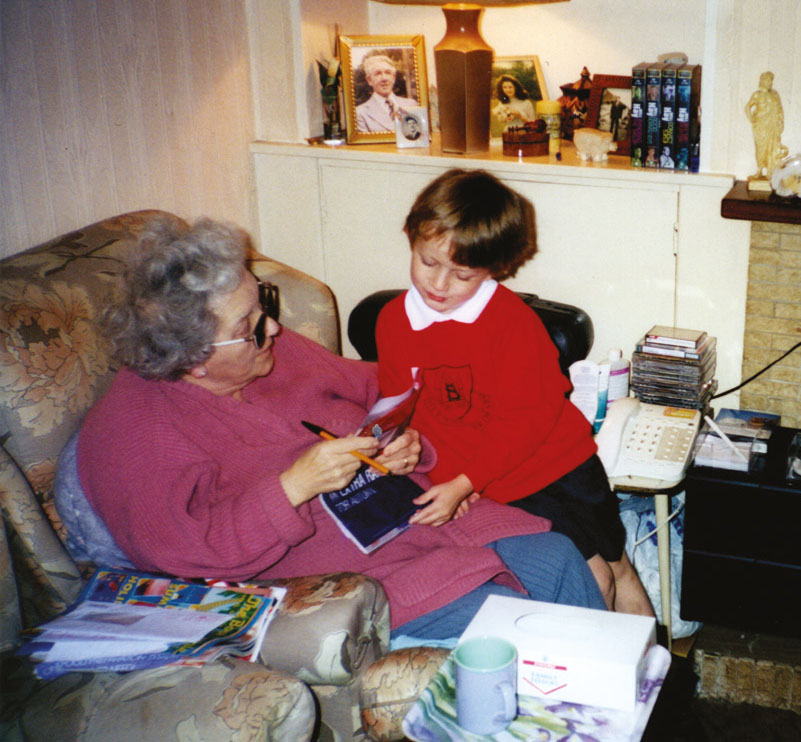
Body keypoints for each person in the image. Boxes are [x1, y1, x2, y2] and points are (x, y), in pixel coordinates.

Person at [63, 216, 606, 646]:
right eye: (249, 327)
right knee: (521, 624)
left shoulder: (274, 355)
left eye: (264, 304)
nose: (274, 328)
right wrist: (294, 486)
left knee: (558, 557)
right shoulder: (133, 435)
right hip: (353, 575)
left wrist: (409, 441)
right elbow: (187, 554)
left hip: (426, 515)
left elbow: (380, 390)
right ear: (196, 358)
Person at [375, 168, 655, 617]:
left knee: (618, 570)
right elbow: (400, 408)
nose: (439, 284)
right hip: (497, 486)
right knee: (591, 579)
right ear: (411, 237)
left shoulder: (513, 324)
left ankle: (640, 682)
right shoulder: (392, 321)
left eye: (462, 274)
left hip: (558, 467)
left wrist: (466, 481)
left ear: (492, 269)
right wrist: (408, 452)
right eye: (428, 262)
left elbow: (526, 420)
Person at [355, 53, 418, 133]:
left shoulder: (411, 105)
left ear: (394, 77)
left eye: (388, 73)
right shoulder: (360, 113)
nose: (384, 78)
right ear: (369, 80)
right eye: (378, 73)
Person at [745, 71, 789, 180]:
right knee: (760, 148)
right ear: (762, 81)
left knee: (771, 148)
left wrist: (780, 123)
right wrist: (752, 119)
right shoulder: (757, 94)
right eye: (768, 80)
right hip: (760, 126)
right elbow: (747, 107)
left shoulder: (775, 94)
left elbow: (780, 110)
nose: (770, 82)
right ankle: (759, 170)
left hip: (772, 125)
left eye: (771, 80)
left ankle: (770, 171)